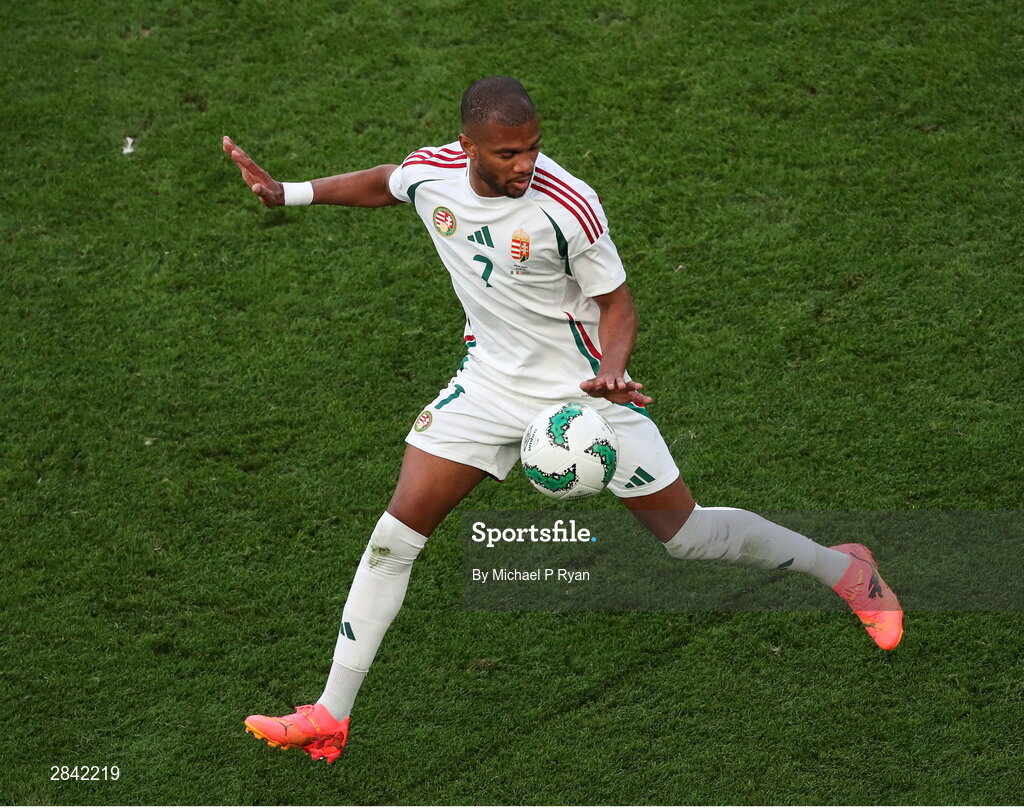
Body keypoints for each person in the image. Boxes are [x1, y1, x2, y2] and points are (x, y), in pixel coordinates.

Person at [223, 76, 903, 765]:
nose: (525, 165)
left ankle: (844, 569)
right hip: (487, 385)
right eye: (508, 154)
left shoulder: (567, 206)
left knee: (686, 536)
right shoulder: (434, 175)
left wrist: (612, 368)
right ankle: (329, 715)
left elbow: (619, 306)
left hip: (584, 393)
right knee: (393, 539)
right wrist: (291, 193)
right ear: (469, 148)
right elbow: (384, 182)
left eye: (533, 149)